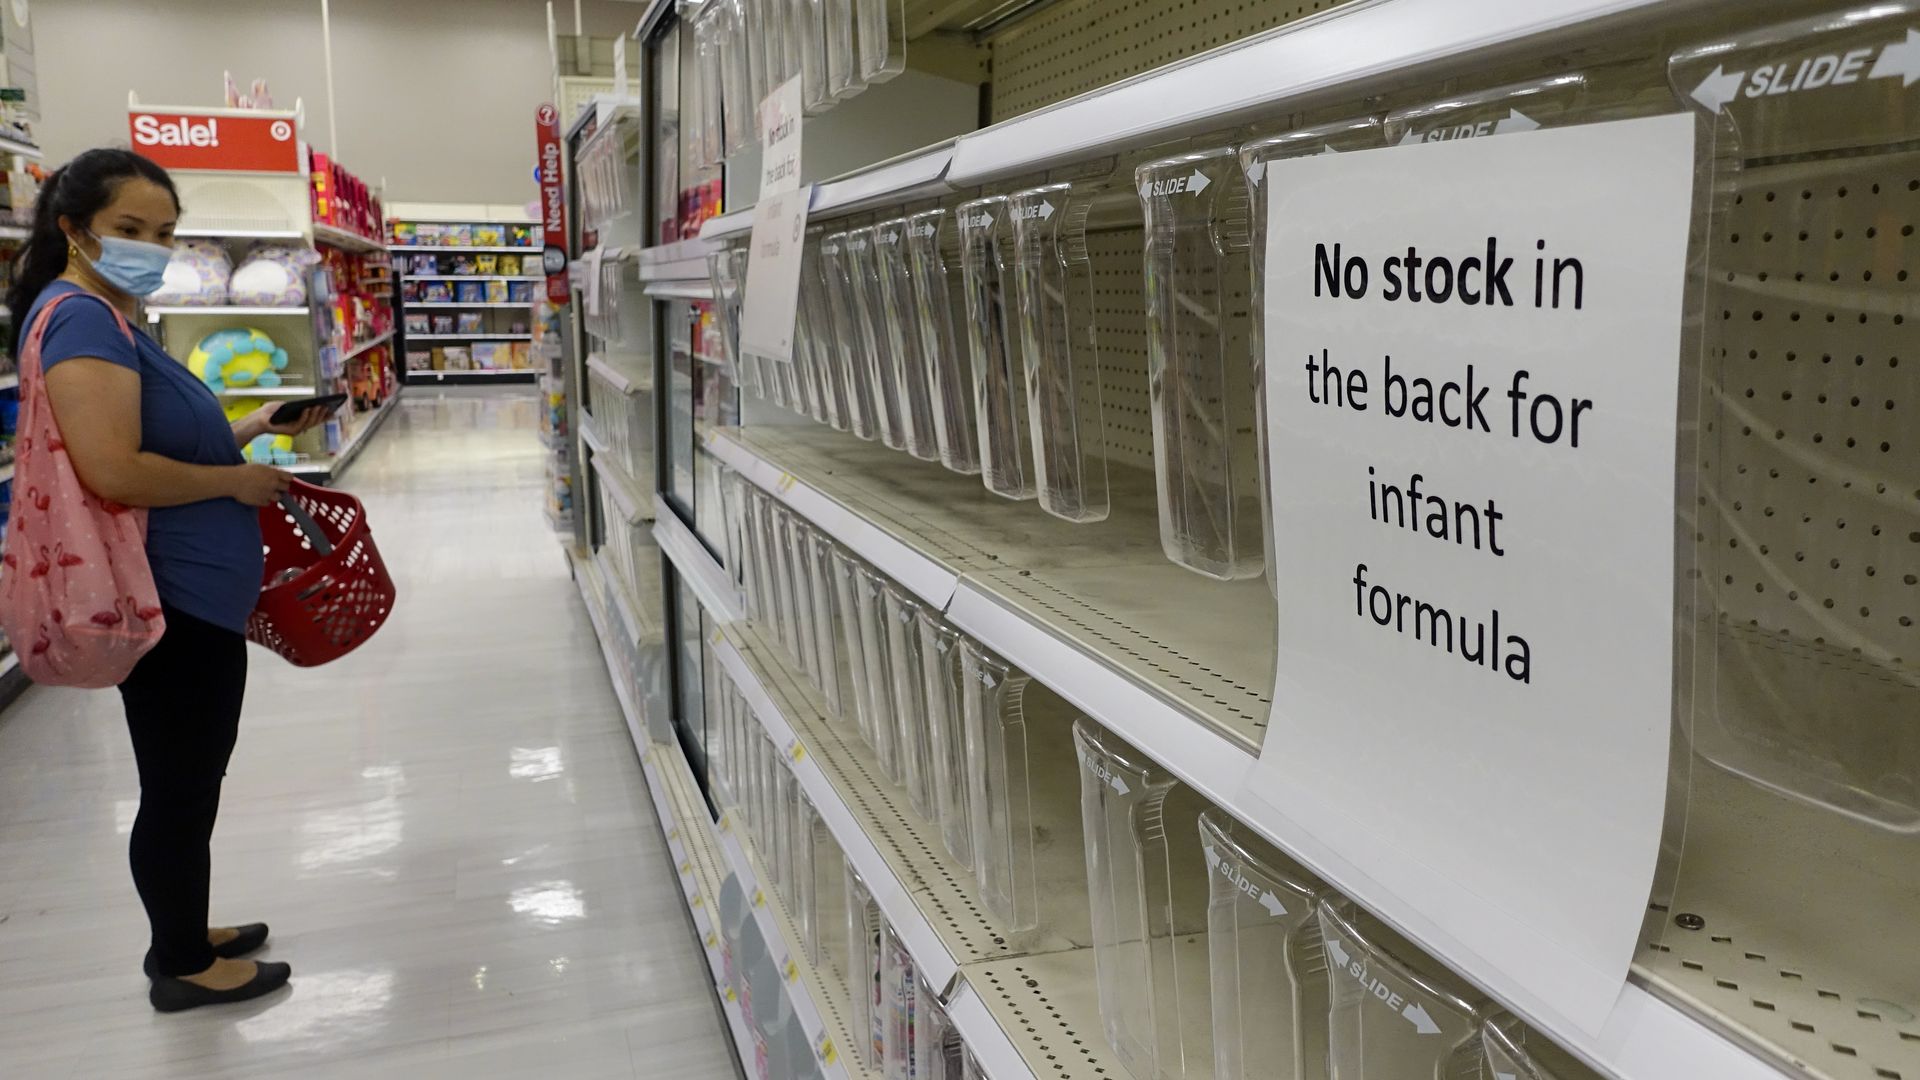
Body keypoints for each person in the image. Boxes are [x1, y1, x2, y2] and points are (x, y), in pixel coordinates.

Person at [6, 149, 333, 1012]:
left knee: (188, 775)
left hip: (188, 594)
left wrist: (254, 423)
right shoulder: (81, 320)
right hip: (170, 600)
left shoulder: (109, 315)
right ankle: (183, 965)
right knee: (181, 783)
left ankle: (185, 926)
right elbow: (114, 469)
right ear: (74, 231)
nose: (150, 248)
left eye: (164, 233)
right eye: (129, 231)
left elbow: (155, 438)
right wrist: (235, 482)